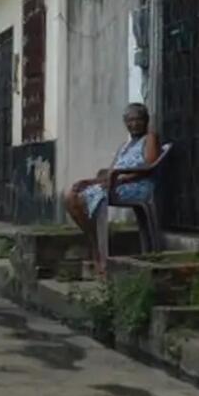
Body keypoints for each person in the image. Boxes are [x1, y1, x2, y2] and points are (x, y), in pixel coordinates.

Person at [64, 103, 160, 275]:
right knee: (71, 197)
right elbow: (110, 173)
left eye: (139, 119)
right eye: (130, 120)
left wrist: (121, 179)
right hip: (117, 184)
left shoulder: (150, 138)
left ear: (146, 121)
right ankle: (95, 242)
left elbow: (149, 166)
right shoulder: (124, 146)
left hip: (137, 186)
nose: (135, 123)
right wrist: (88, 182)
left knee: (85, 197)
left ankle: (101, 255)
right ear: (125, 123)